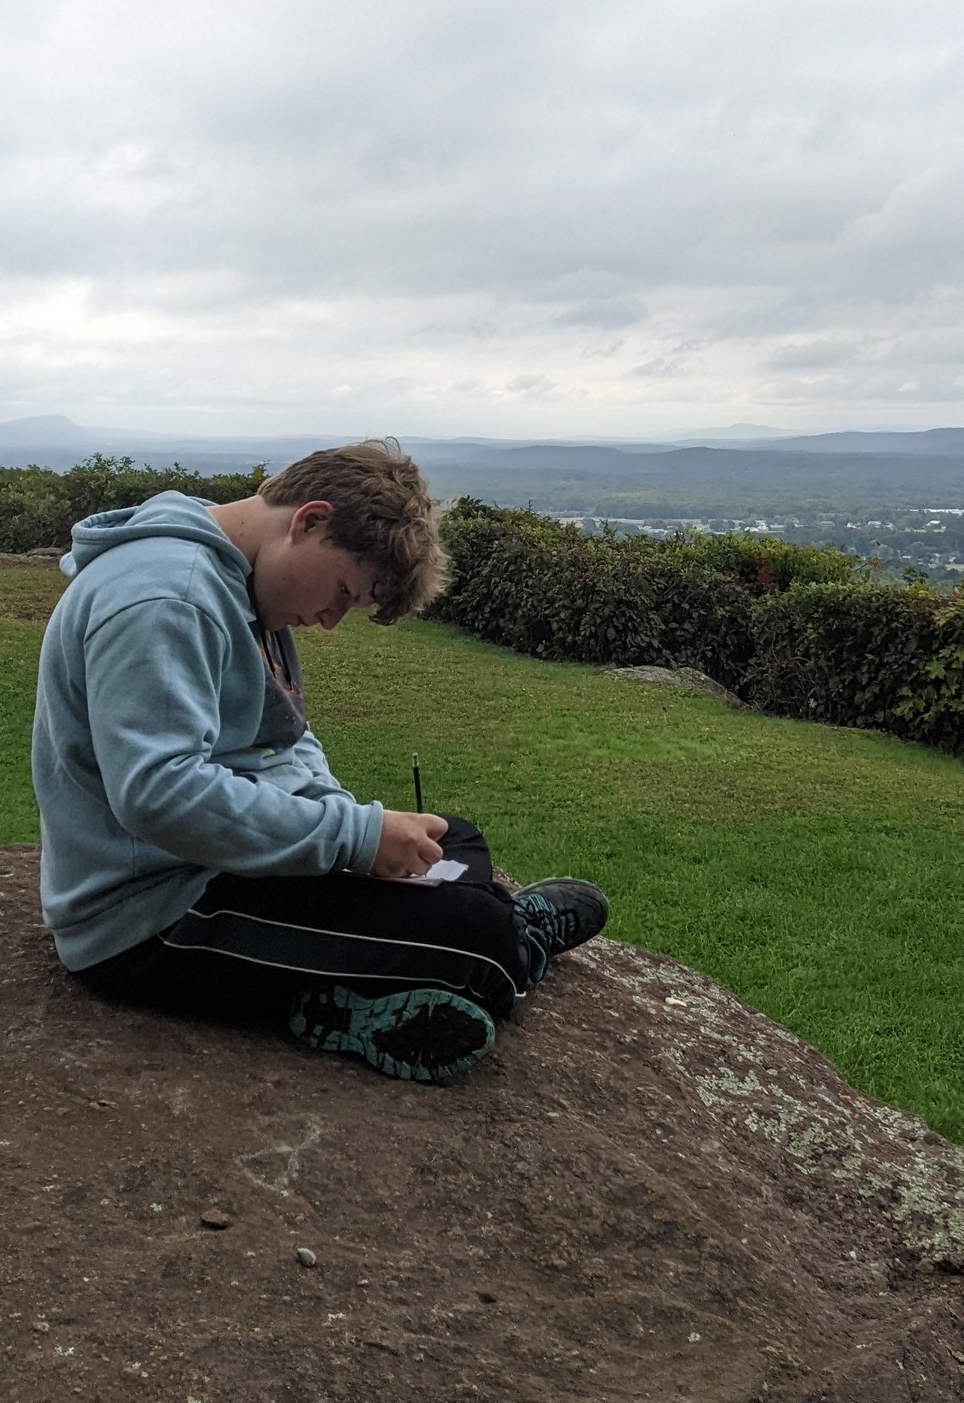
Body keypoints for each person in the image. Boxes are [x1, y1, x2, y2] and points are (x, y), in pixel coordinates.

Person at [32, 439, 608, 1084]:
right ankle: (510, 946)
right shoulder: (171, 599)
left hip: (216, 863)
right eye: (342, 592)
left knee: (452, 840)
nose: (331, 621)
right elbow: (157, 793)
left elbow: (280, 736)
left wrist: (348, 823)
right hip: (152, 919)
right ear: (309, 520)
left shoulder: (241, 577)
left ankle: (394, 969)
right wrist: (354, 840)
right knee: (478, 942)